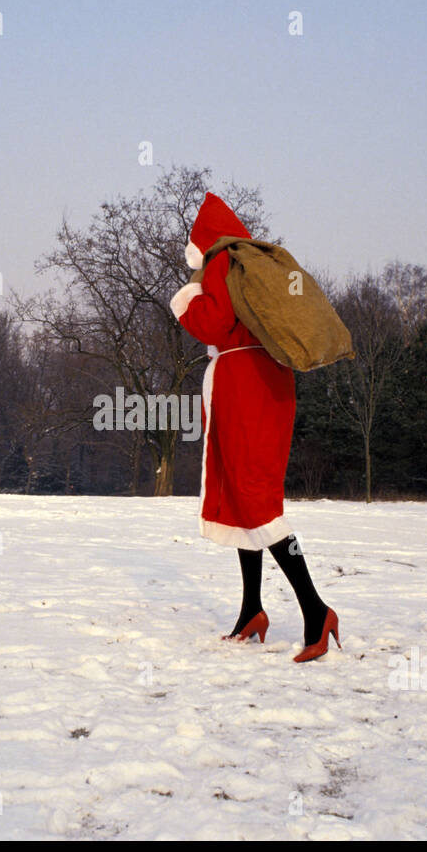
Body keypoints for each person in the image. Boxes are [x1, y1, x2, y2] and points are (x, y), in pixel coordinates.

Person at [169, 192, 340, 663]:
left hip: (246, 388)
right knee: (250, 500)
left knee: (256, 500)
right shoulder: (245, 263)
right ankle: (251, 611)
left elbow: (217, 323)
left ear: (201, 241)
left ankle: (316, 609)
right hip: (260, 383)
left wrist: (185, 301)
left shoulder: (223, 262)